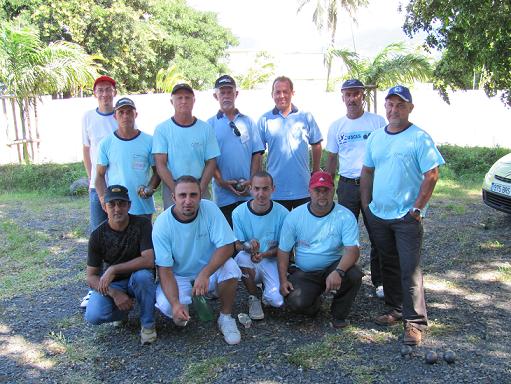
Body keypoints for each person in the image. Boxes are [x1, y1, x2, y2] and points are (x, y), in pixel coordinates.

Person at [360, 85, 445, 346]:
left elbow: (431, 174)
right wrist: (367, 206)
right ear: (385, 107)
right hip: (379, 215)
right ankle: (395, 309)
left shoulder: (419, 137)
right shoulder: (376, 137)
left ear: (410, 108)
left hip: (407, 218)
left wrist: (417, 209)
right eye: (390, 104)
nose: (394, 109)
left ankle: (415, 322)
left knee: (409, 269)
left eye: (400, 105)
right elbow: (367, 171)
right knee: (388, 264)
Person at [152, 176, 242, 345]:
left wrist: (205, 273)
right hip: (180, 276)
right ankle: (189, 300)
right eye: (182, 195)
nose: (188, 200)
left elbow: (228, 247)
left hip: (208, 270)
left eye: (193, 195)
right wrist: (175, 303)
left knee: (231, 268)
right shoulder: (162, 224)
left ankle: (226, 317)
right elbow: (164, 270)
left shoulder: (210, 209)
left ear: (201, 196)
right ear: (173, 198)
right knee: (175, 315)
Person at [277, 171, 363, 328]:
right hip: (305, 272)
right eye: (317, 190)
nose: (322, 195)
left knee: (354, 274)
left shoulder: (345, 215)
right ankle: (315, 301)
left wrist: (339, 272)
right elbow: (283, 251)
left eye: (326, 190)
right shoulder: (295, 216)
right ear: (309, 191)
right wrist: (283, 280)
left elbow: (353, 250)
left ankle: (339, 314)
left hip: (333, 267)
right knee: (296, 303)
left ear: (333, 190)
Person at [325, 79, 386, 299]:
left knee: (378, 233)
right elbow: (332, 160)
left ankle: (380, 282)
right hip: (347, 186)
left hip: (372, 186)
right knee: (343, 235)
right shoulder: (336, 126)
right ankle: (341, 278)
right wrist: (328, 188)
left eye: (356, 94)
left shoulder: (377, 122)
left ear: (363, 96)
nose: (352, 99)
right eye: (348, 94)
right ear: (342, 97)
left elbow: (386, 154)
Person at [84, 185, 157, 345]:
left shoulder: (142, 225)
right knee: (93, 315)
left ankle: (148, 325)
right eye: (112, 204)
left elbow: (149, 260)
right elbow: (91, 276)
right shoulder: (97, 235)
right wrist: (114, 293)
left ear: (129, 205)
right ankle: (123, 311)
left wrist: (114, 268)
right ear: (104, 207)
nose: (117, 209)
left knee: (144, 276)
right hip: (114, 284)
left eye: (122, 203)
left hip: (136, 279)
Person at [258, 76, 323, 211]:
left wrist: (316, 170)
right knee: (279, 230)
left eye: (285, 91)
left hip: (303, 187)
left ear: (292, 93)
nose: (281, 96)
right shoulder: (264, 119)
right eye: (277, 92)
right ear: (272, 95)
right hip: (276, 190)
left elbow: (316, 144)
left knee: (303, 229)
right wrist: (260, 177)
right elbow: (258, 152)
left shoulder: (306, 117)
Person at [80, 75, 118, 308]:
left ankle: (117, 281)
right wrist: (91, 178)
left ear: (114, 92)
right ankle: (95, 287)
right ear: (95, 94)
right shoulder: (88, 118)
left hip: (118, 189)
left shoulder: (120, 115)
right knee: (98, 234)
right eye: (100, 90)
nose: (105, 94)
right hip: (97, 186)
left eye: (108, 90)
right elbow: (86, 150)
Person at [208, 75, 264, 227]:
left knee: (249, 233)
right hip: (223, 194)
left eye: (229, 92)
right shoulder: (210, 125)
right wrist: (221, 181)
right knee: (228, 237)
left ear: (236, 94)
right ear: (216, 96)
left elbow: (257, 154)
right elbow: (209, 159)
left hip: (247, 192)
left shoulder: (248, 121)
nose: (226, 96)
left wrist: (251, 180)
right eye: (222, 92)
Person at [153, 83, 220, 210]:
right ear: (171, 101)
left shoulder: (205, 128)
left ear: (194, 101)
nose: (183, 101)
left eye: (187, 97)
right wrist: (176, 191)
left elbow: (211, 162)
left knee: (202, 224)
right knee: (175, 225)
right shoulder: (162, 129)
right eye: (179, 97)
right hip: (172, 187)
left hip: (200, 185)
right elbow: (160, 164)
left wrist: (200, 189)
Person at [232, 171, 288, 320]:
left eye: (265, 189)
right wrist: (248, 247)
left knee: (277, 301)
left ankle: (267, 291)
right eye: (256, 188)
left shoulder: (283, 213)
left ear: (273, 189)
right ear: (250, 188)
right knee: (241, 258)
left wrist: (264, 254)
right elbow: (237, 245)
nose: (261, 194)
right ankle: (253, 297)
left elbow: (285, 248)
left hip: (271, 260)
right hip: (249, 258)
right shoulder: (238, 213)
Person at [96, 97, 160, 221]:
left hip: (142, 206)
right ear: (115, 116)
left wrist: (149, 189)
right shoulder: (106, 143)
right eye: (121, 112)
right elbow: (99, 175)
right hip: (117, 206)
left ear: (136, 114)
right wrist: (103, 198)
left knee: (143, 239)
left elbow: (158, 171)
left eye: (129, 112)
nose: (125, 116)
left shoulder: (149, 141)